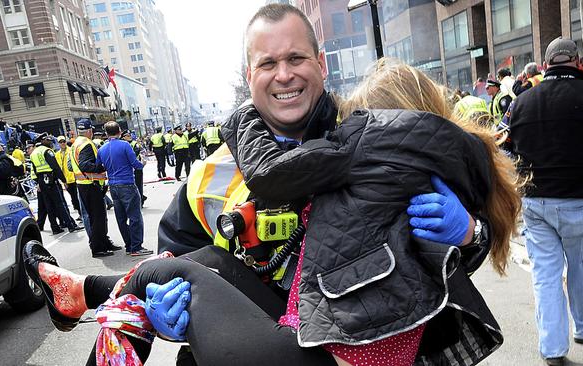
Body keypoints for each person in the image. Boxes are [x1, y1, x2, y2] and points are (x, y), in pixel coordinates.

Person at [26, 5, 518, 365]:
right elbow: (179, 262)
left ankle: (84, 291)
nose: (284, 75)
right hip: (251, 343)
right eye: (268, 63)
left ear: (321, 64)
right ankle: (87, 292)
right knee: (186, 274)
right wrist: (164, 317)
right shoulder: (209, 175)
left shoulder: (367, 134)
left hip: (350, 344)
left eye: (297, 58)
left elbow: (440, 263)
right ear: (250, 75)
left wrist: (468, 233)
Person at [507, 37, 583, 366]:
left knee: (546, 276)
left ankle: (553, 350)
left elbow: (506, 149)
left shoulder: (522, 102)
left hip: (535, 203)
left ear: (545, 65)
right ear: (579, 63)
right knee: (581, 267)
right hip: (579, 200)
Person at [96, 122, 153, 256]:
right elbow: (135, 164)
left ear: (106, 133)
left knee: (121, 218)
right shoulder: (125, 145)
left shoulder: (102, 149)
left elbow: (99, 167)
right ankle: (136, 247)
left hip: (113, 186)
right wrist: (143, 163)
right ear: (119, 131)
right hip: (127, 183)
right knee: (135, 217)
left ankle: (129, 245)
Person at [69, 119, 116, 258]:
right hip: (90, 185)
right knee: (97, 218)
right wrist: (102, 167)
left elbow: (73, 166)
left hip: (85, 185)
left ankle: (104, 243)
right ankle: (98, 248)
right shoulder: (86, 144)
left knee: (97, 217)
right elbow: (85, 165)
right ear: (90, 131)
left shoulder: (76, 143)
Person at [30, 133, 82, 235]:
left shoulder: (33, 153)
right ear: (43, 140)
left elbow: (34, 170)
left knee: (49, 205)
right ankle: (71, 225)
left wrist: (38, 182)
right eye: (47, 140)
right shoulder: (47, 151)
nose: (50, 142)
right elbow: (55, 167)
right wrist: (63, 180)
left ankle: (55, 227)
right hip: (50, 179)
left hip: (41, 180)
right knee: (60, 203)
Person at [55, 135, 81, 215]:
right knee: (73, 198)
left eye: (64, 141)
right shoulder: (57, 154)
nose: (62, 143)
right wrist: (63, 181)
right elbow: (59, 168)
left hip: (75, 177)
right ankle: (80, 213)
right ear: (58, 143)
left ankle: (82, 213)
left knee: (78, 197)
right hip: (66, 180)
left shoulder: (71, 150)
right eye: (60, 142)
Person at [120, 130, 147, 206]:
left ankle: (140, 201)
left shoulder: (135, 144)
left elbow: (137, 153)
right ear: (123, 137)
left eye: (129, 135)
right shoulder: (122, 145)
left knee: (138, 185)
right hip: (127, 169)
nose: (129, 137)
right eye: (127, 136)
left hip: (136, 167)